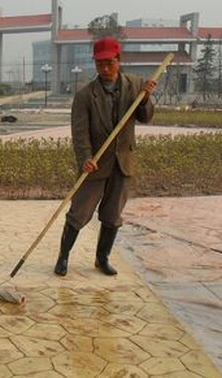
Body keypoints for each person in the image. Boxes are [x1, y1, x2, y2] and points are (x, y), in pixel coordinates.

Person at [54, 37, 157, 276]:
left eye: (109, 63)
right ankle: (63, 257)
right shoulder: (85, 95)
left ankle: (102, 259)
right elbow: (79, 133)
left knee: (112, 215)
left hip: (123, 163)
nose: (105, 69)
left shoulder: (136, 86)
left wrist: (145, 99)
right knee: (79, 213)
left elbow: (146, 117)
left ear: (118, 61)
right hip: (96, 163)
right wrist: (85, 159)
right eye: (100, 64)